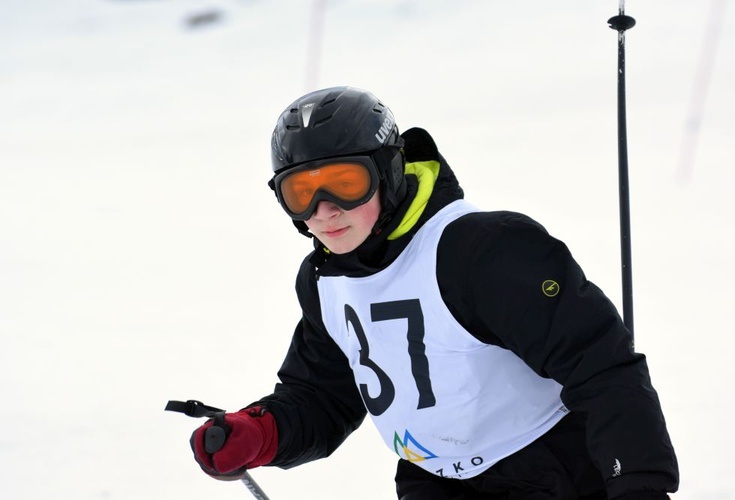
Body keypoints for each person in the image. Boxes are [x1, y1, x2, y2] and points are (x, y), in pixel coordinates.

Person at [189, 86, 679, 499]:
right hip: (432, 480)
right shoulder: (325, 281)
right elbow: (323, 395)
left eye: (344, 183)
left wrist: (638, 481)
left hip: (551, 470)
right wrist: (260, 433)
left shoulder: (481, 250)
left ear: (388, 171)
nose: (324, 211)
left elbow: (601, 367)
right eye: (300, 193)